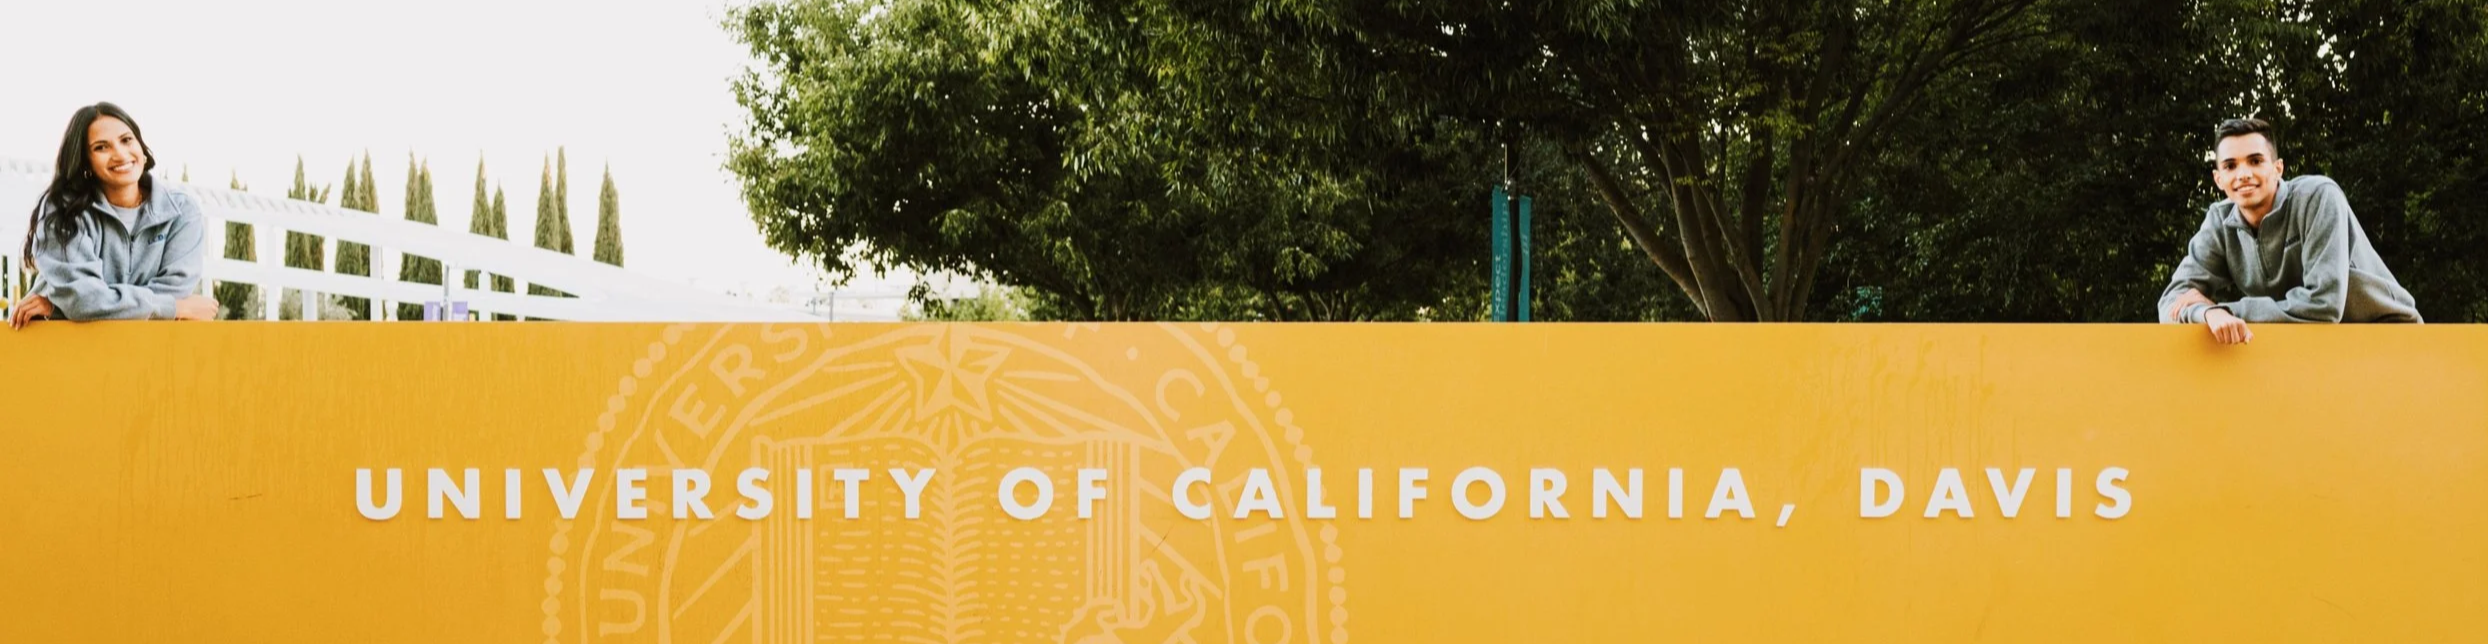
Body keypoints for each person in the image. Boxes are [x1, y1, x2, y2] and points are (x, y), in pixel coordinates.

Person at [2156, 118, 2419, 344]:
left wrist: (2226, 310)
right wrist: (2205, 314)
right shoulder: (2219, 220)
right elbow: (2170, 304)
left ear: (2277, 168)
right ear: (2218, 178)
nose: (2243, 173)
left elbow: (2323, 306)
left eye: (2255, 160)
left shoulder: (2317, 197)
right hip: (2301, 344)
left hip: (2384, 332)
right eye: (2230, 166)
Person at [10, 102, 216, 329]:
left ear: (142, 147)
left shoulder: (182, 213)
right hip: (62, 346)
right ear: (85, 162)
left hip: (144, 351)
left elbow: (174, 291)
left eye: (127, 140)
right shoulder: (63, 210)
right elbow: (82, 299)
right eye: (101, 147)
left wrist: (60, 308)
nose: (120, 154)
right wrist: (175, 308)